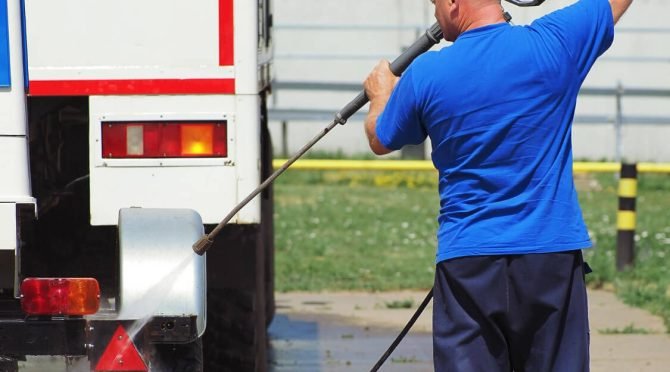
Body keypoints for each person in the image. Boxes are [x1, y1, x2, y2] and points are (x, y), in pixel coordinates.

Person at [363, 0, 633, 370]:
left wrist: (381, 96)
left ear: (454, 3)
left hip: (468, 263)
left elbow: (380, 138)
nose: (436, 15)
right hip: (548, 259)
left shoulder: (427, 73)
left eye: (436, 4)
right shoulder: (554, 42)